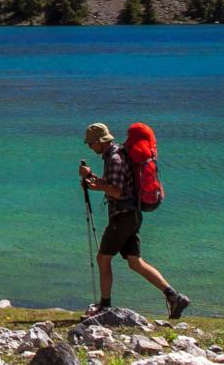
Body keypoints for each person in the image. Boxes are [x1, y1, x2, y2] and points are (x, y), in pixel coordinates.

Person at [79, 122, 190, 319]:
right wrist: (92, 177)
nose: (90, 147)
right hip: (134, 215)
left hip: (122, 216)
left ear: (99, 142)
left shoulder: (113, 158)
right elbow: (116, 185)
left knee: (103, 259)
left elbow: (116, 190)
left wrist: (94, 186)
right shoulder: (120, 153)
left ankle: (104, 306)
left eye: (91, 144)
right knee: (134, 262)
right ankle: (174, 297)